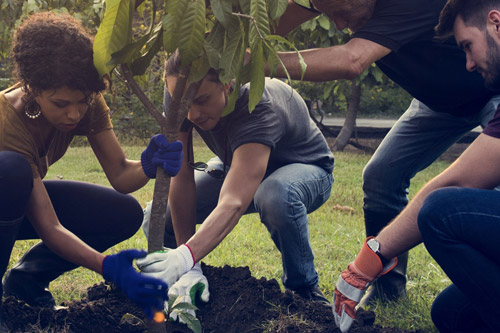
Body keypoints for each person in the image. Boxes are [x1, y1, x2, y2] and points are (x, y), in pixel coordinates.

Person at [270, 0, 500, 305]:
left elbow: (351, 60)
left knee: (478, 192)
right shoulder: (358, 12)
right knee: (380, 176)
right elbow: (268, 30)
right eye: (328, 15)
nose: (338, 24)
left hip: (491, 91)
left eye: (342, 12)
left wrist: (255, 64)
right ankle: (388, 288)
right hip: (438, 105)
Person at [0, 11, 184, 326]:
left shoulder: (86, 99)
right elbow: (50, 227)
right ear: (31, 87)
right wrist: (109, 267)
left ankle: (25, 283)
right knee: (11, 170)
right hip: (7, 190)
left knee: (122, 212)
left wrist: (148, 163)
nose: (74, 114)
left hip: (14, 202)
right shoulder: (6, 120)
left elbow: (121, 176)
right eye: (61, 104)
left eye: (82, 101)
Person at [333, 0, 500, 331]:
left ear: (496, 22)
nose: (466, 64)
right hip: (438, 105)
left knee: (443, 210)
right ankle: (388, 291)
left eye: (467, 46)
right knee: (450, 314)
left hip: (481, 104)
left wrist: (365, 262)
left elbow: (460, 183)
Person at [137, 50, 335, 319]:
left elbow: (234, 201)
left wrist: (186, 255)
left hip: (304, 168)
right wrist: (190, 266)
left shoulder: (258, 103)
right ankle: (182, 288)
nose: (192, 113)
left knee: (276, 193)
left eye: (202, 100)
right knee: (158, 216)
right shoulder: (181, 90)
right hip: (237, 163)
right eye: (183, 104)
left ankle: (304, 291)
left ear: (228, 83)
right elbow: (180, 173)